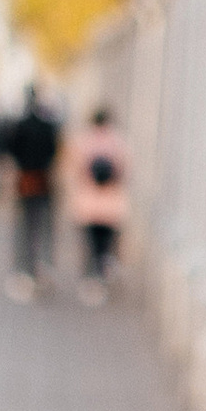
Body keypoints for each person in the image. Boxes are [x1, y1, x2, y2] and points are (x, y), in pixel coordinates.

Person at [4, 84, 61, 297]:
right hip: (43, 180)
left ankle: (24, 270)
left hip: (26, 180)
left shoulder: (19, 126)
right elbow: (53, 152)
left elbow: (11, 150)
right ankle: (44, 266)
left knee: (24, 227)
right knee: (44, 226)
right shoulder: (48, 126)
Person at [73, 108, 129, 302]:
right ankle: (102, 274)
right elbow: (125, 168)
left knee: (90, 243)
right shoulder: (117, 141)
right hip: (110, 204)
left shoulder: (84, 141)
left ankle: (91, 280)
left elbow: (76, 168)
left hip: (89, 203)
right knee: (105, 245)